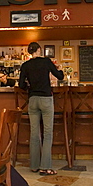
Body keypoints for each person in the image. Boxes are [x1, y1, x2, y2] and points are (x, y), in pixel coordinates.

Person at [18, 42, 64, 176]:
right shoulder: (46, 61)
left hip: (32, 100)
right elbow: (60, 76)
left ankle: (34, 166)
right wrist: (60, 70)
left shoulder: (25, 65)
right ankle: (45, 166)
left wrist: (29, 86)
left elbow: (21, 85)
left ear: (29, 52)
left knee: (34, 133)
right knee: (48, 133)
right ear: (39, 50)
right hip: (46, 99)